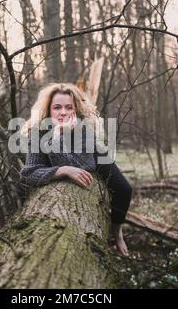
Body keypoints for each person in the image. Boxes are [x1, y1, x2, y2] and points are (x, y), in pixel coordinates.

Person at [19, 82, 133, 257]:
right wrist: (62, 169)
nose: (63, 112)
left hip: (94, 157)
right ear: (48, 110)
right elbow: (29, 173)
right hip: (64, 158)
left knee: (124, 189)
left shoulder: (84, 128)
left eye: (68, 107)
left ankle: (117, 231)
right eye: (57, 107)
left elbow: (86, 167)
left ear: (76, 109)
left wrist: (63, 136)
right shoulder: (38, 133)